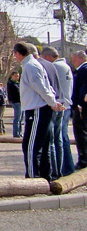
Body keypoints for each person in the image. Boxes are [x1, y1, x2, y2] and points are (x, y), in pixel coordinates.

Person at [13, 42, 63, 180]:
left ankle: (32, 176)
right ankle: (45, 175)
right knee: (43, 144)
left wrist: (52, 102)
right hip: (40, 108)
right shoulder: (33, 65)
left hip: (37, 110)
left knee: (30, 145)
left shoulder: (30, 66)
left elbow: (40, 87)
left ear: (18, 53)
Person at [41, 46, 73, 177]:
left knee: (54, 140)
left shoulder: (55, 67)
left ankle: (56, 170)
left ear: (48, 57)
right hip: (67, 104)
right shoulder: (66, 67)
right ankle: (67, 167)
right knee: (62, 138)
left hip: (59, 105)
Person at [34, 45, 61, 179]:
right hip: (55, 104)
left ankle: (42, 175)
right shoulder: (52, 66)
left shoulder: (38, 66)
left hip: (44, 107)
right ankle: (53, 173)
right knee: (53, 142)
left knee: (41, 145)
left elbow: (42, 88)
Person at [71, 50, 87, 170]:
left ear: (82, 58)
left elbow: (83, 88)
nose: (73, 62)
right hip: (80, 105)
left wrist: (80, 104)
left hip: (82, 107)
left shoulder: (84, 69)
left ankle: (84, 159)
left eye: (75, 59)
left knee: (81, 133)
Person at [7, 71, 22, 138]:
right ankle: (16, 133)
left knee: (20, 118)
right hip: (16, 102)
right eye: (15, 76)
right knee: (17, 118)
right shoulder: (11, 84)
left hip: (21, 102)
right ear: (12, 76)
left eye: (18, 76)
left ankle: (20, 132)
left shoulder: (18, 83)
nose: (17, 77)